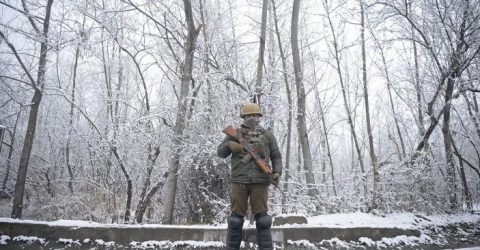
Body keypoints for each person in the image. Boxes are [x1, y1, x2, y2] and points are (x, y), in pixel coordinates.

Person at [217, 103, 282, 250]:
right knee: (235, 220)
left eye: (254, 115)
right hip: (238, 181)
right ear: (243, 117)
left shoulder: (267, 135)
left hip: (260, 182)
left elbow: (276, 156)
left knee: (263, 220)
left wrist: (277, 172)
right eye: (248, 115)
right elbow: (220, 153)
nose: (252, 118)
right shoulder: (235, 134)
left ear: (259, 117)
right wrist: (229, 146)